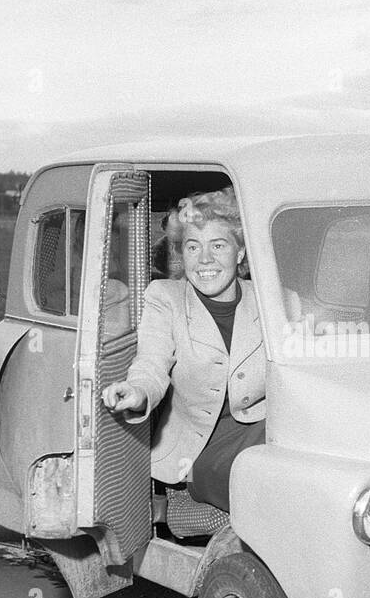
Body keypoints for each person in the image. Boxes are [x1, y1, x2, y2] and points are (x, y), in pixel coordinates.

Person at [101, 189, 265, 514]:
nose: (205, 259)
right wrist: (137, 391)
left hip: (266, 432)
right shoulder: (166, 298)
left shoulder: (272, 299)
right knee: (268, 487)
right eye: (193, 247)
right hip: (202, 448)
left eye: (218, 245)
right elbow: (151, 361)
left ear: (241, 252)